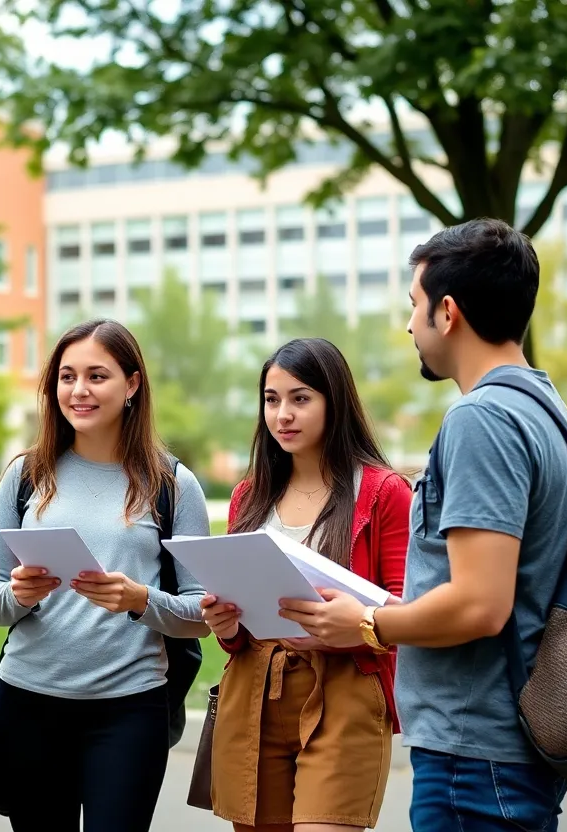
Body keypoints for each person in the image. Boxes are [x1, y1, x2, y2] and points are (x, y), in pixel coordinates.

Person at [281, 218, 567, 831]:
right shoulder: (546, 407)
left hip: (476, 753)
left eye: (414, 306)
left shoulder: (482, 420)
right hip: (508, 746)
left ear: (448, 312)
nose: (409, 325)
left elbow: (479, 605)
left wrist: (365, 623)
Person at [0, 318, 211, 832]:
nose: (78, 390)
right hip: (27, 704)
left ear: (132, 385)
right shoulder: (24, 475)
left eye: (96, 376)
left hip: (129, 711)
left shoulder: (172, 483)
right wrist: (19, 594)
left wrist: (138, 599)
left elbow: (201, 613)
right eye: (67, 377)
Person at [200, 337, 411, 832]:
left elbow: (410, 612)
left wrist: (357, 625)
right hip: (253, 693)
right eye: (272, 401)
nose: (283, 416)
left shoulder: (384, 493)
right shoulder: (248, 496)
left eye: (300, 398)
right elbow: (237, 633)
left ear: (333, 402)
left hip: (346, 692)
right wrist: (224, 624)